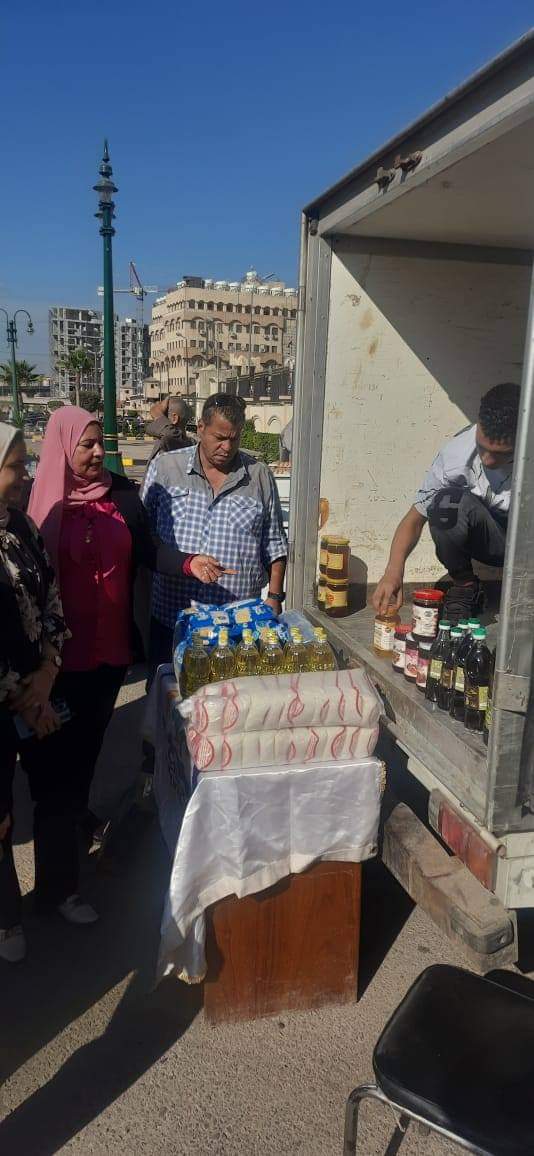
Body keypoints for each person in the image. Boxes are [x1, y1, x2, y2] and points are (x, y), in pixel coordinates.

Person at [26, 407, 223, 924]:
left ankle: (70, 852)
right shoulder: (40, 508)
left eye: (100, 443)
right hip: (57, 666)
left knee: (85, 757)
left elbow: (148, 550)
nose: (98, 453)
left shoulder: (120, 495)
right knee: (55, 774)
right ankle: (57, 889)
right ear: (62, 447)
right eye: (86, 445)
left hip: (109, 658)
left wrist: (188, 562)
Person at [141, 392, 288, 668]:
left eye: (234, 438)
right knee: (169, 690)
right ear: (200, 428)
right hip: (172, 619)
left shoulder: (258, 475)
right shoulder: (166, 467)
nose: (227, 447)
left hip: (237, 626)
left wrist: (274, 597)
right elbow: (142, 534)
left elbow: (275, 543)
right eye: (219, 437)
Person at [0, 422, 70, 962]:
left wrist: (46, 674)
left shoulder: (23, 526)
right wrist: (21, 698)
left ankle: (58, 889)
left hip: (40, 689)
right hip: (5, 704)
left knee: (55, 791)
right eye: (15, 466)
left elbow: (51, 599)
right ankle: (7, 919)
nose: (26, 475)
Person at [373, 383, 520, 623]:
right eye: (482, 448)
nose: (487, 460)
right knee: (445, 504)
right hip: (492, 541)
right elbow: (413, 520)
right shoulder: (456, 454)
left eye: (501, 454)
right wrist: (393, 573)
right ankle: (465, 588)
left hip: (526, 545)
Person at [146, 396, 192, 463]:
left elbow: (169, 434)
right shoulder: (165, 441)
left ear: (174, 418)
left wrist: (157, 413)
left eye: (163, 416)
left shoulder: (181, 444)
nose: (157, 421)